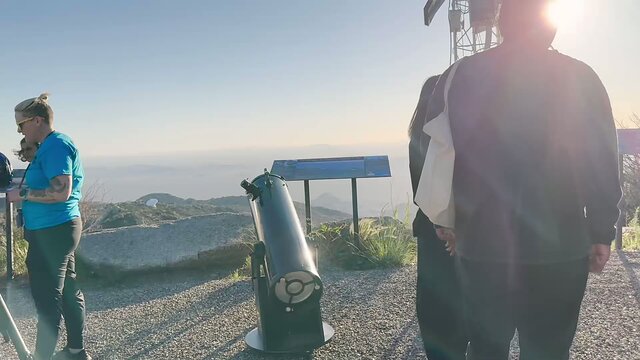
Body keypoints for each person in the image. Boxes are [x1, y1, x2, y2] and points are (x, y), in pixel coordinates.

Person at [424, 1, 622, 359]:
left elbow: (436, 151)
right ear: (552, 26)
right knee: (548, 349)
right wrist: (600, 232)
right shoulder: (582, 77)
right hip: (560, 247)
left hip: (481, 244)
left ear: (501, 23)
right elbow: (602, 161)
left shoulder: (459, 74)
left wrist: (446, 220)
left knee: (486, 347)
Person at [7, 93, 91, 360]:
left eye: (21, 125)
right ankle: (76, 351)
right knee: (67, 290)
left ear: (37, 120)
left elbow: (61, 191)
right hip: (59, 229)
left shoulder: (56, 145)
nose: (19, 130)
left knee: (47, 299)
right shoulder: (50, 145)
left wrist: (22, 195)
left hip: (52, 233)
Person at [409, 75, 468, 360]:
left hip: (428, 227)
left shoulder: (416, 138)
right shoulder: (451, 139)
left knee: (433, 298)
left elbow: (419, 192)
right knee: (461, 295)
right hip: (456, 228)